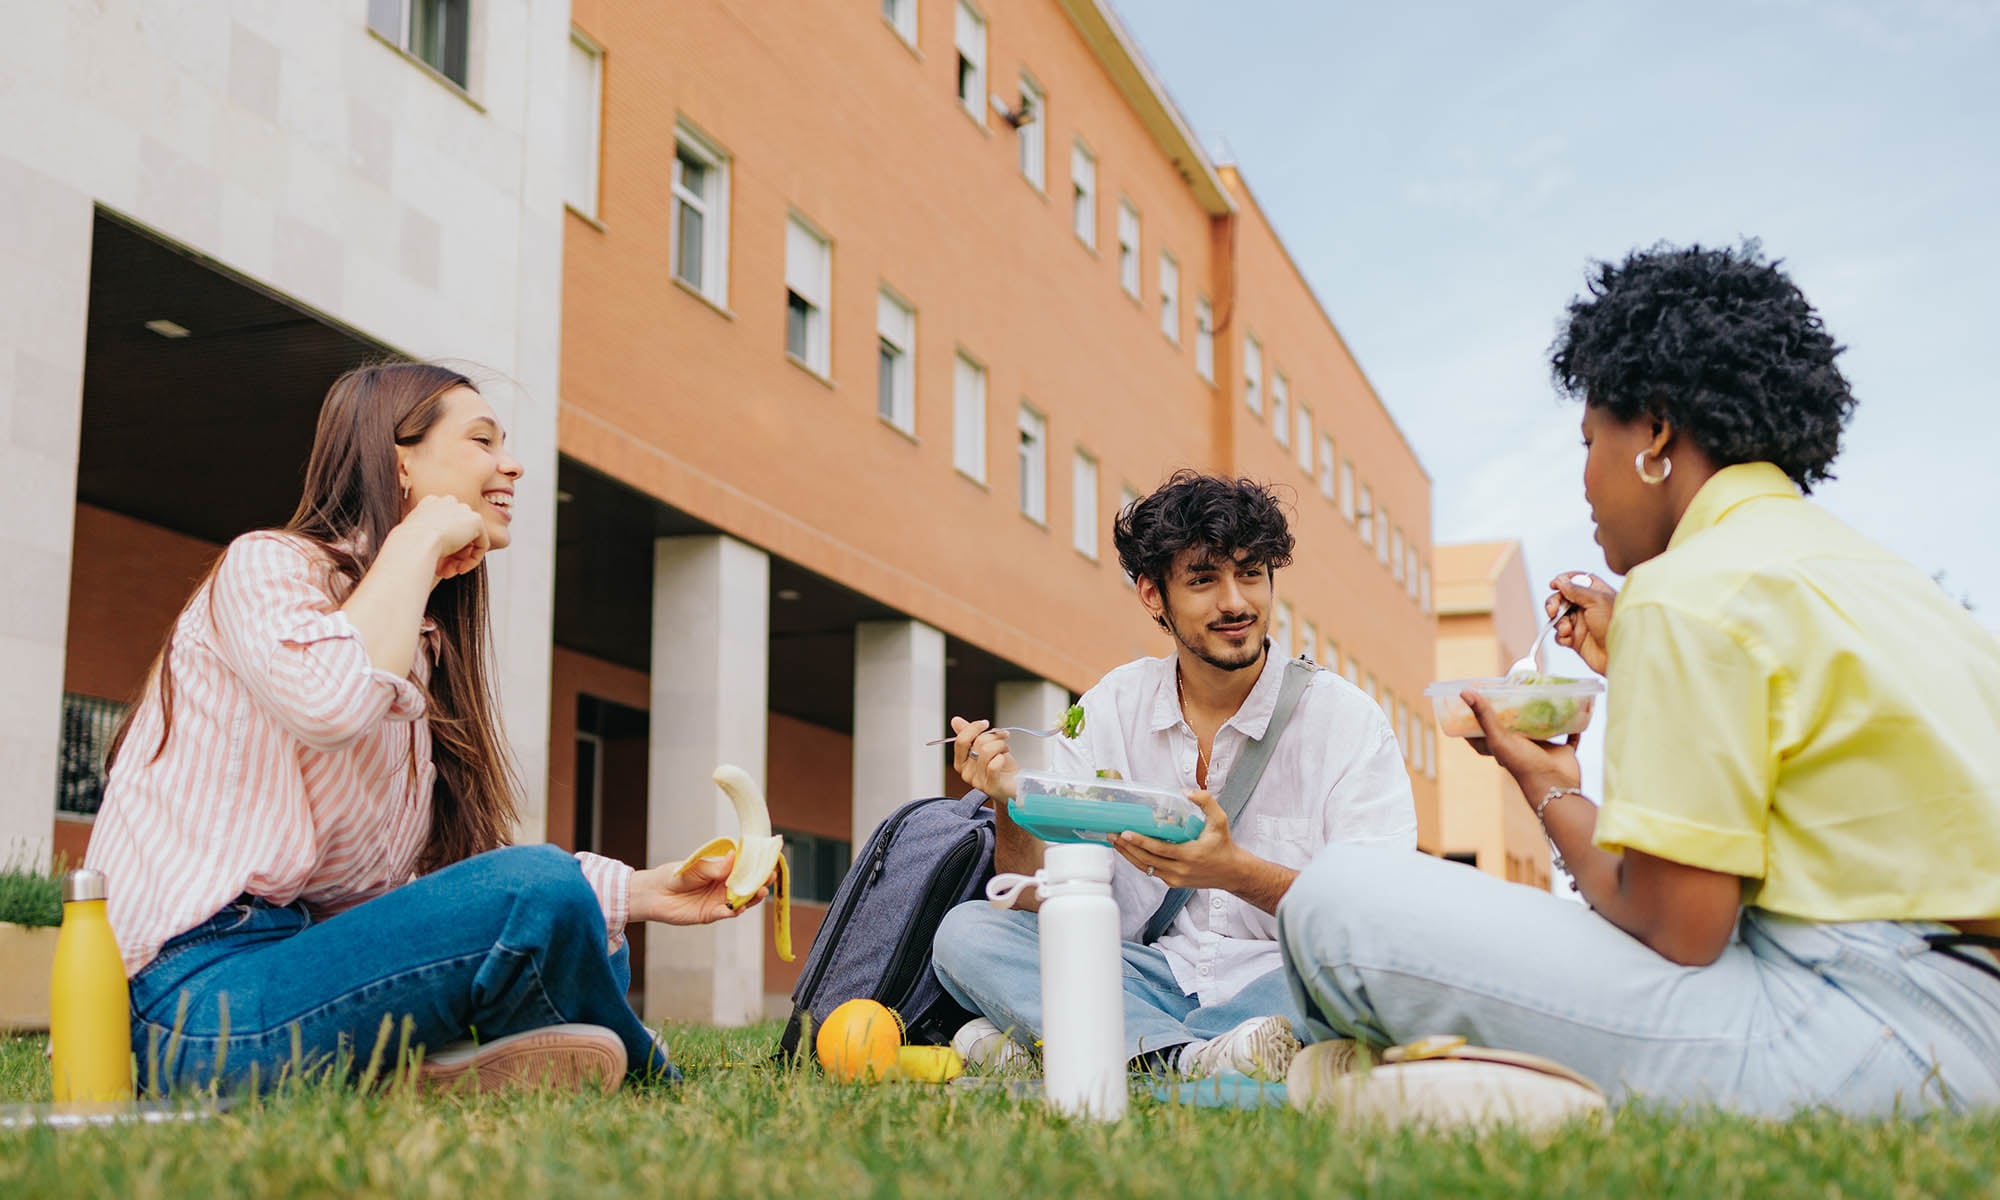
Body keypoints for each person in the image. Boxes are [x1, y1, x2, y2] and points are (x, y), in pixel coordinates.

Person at [1277, 242, 2000, 1116]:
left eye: (1589, 440)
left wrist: (1543, 781)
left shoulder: (1689, 591)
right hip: (1965, 1006)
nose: (1584, 481)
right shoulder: (1869, 571)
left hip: (1873, 1034)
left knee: (1336, 899)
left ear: (1654, 430)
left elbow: (1680, 927)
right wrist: (1642, 660)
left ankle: (1425, 1087)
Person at [86, 363, 765, 1095]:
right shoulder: (267, 568)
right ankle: (642, 1074)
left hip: (292, 972)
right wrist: (420, 538)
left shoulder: (420, 644)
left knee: (586, 929)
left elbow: (397, 897)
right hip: (189, 1006)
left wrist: (639, 892)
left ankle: (450, 1067)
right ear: (399, 460)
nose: (512, 464)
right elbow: (334, 704)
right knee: (541, 891)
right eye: (482, 440)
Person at [934, 472, 1417, 1080]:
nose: (1236, 603)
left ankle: (1100, 1046)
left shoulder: (1345, 721)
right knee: (968, 932)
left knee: (1371, 975)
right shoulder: (1111, 707)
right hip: (1148, 974)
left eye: (1250, 574)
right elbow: (1039, 901)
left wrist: (1235, 873)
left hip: (1282, 984)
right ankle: (1190, 1058)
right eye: (1203, 580)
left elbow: (1380, 918)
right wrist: (1009, 801)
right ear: (1152, 595)